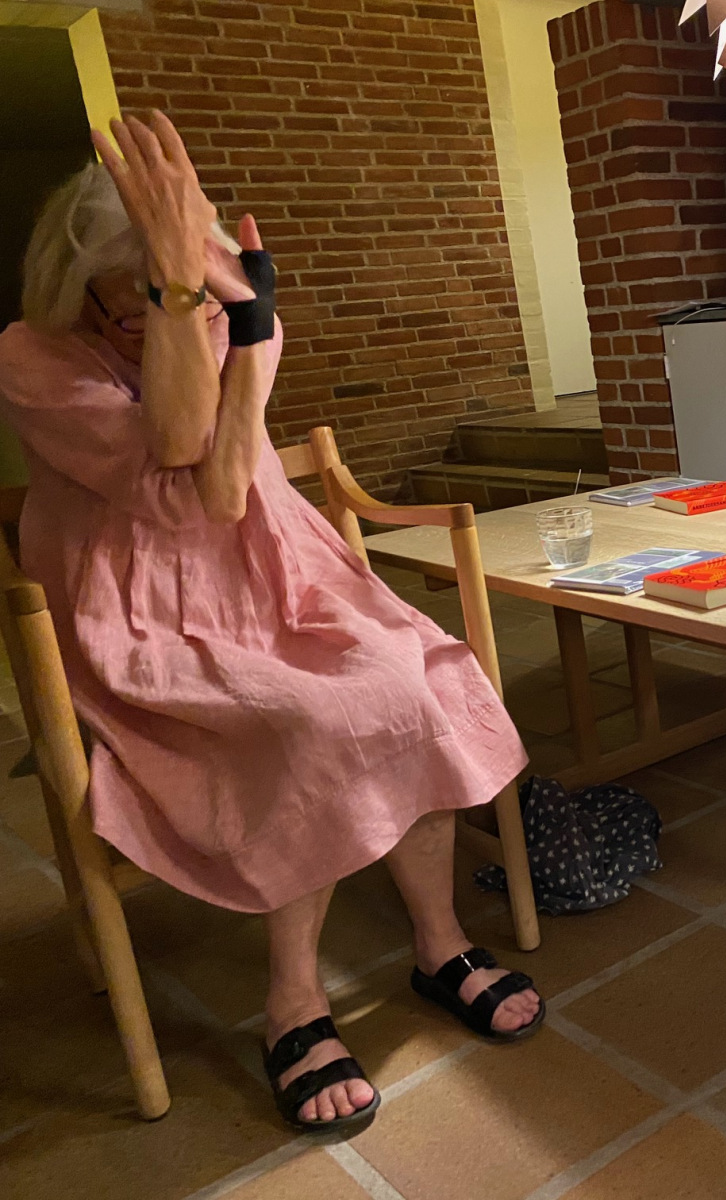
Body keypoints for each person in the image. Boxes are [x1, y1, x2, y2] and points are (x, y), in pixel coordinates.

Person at [0, 114, 543, 1133]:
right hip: (149, 609)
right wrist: (181, 297)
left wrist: (233, 318)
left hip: (278, 570)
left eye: (182, 282)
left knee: (421, 678)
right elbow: (193, 486)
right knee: (306, 722)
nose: (168, 307)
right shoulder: (31, 358)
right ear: (77, 287)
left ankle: (438, 944)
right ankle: (294, 998)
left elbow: (226, 475)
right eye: (133, 296)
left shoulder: (227, 304)